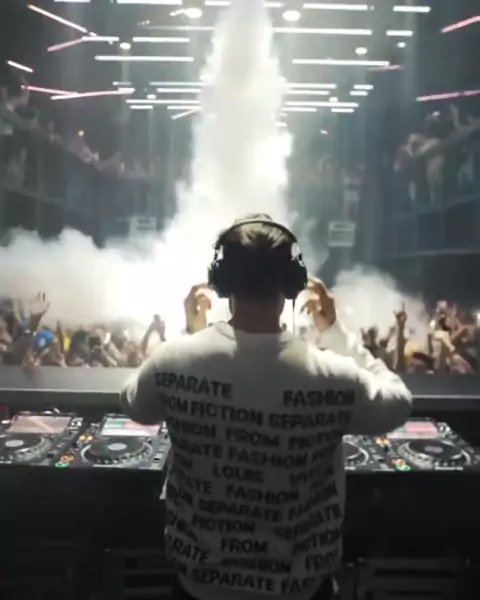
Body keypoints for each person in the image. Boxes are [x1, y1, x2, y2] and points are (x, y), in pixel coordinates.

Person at [120, 215, 412, 600]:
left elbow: (135, 404)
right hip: (301, 589)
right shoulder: (334, 375)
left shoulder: (171, 361)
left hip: (198, 586)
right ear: (293, 284)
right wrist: (336, 334)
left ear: (221, 281)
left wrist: (191, 337)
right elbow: (398, 403)